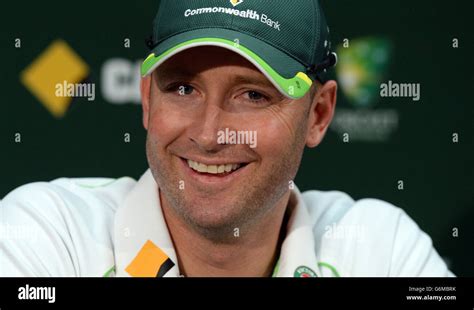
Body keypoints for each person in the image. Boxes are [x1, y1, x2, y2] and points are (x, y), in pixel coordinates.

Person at [0, 0, 453, 277]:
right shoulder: (47, 235)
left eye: (253, 95)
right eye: (183, 88)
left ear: (319, 115)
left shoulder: (381, 247)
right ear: (146, 99)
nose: (209, 134)